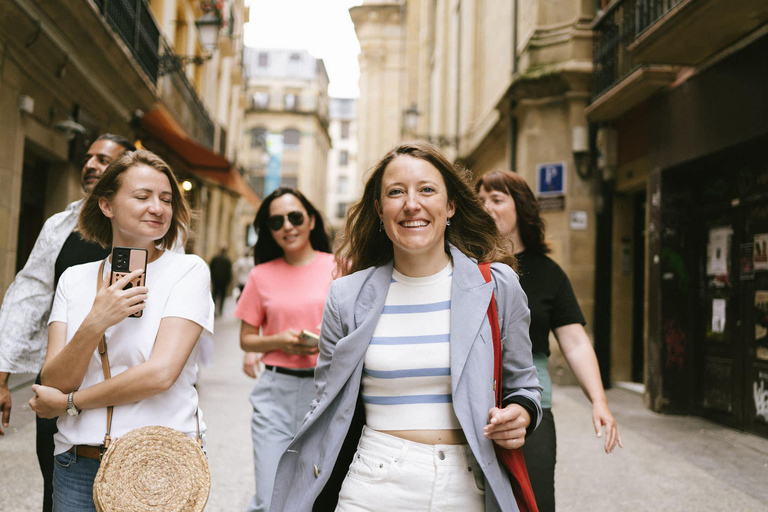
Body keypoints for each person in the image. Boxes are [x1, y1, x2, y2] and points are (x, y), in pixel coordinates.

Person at [270, 141, 542, 512]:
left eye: (427, 189)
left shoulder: (497, 286)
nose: (411, 203)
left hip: (468, 484)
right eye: (396, 192)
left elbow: (524, 383)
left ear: (450, 206)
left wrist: (521, 413)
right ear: (381, 211)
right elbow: (326, 400)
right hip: (372, 482)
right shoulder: (346, 296)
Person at [28, 149, 214, 511]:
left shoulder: (188, 271)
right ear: (107, 205)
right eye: (143, 196)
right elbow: (54, 380)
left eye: (166, 199)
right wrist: (96, 321)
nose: (158, 208)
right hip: (77, 461)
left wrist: (70, 403)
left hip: (158, 465)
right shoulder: (75, 279)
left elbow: (160, 374)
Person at [0, 134, 134, 512]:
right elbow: (29, 295)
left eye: (104, 159)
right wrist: (2, 374)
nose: (91, 165)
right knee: (58, 492)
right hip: (59, 384)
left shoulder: (150, 232)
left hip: (125, 388)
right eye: (89, 157)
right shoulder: (59, 225)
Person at [476, 170, 623, 512]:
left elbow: (575, 342)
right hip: (472, 407)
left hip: (532, 409)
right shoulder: (463, 266)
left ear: (521, 209)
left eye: (496, 200)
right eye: (480, 200)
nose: (486, 207)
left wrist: (599, 401)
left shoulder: (548, 272)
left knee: (535, 503)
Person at [235, 187, 335, 512]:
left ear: (311, 221)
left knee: (315, 497)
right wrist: (279, 340)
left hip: (326, 392)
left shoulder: (340, 267)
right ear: (269, 231)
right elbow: (246, 340)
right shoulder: (260, 275)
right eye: (277, 222)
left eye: (295, 217)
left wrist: (325, 340)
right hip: (275, 393)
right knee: (269, 498)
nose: (287, 227)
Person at [210, 245, 233, 316]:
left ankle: (213, 309)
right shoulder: (227, 260)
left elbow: (211, 268)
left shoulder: (215, 258)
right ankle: (220, 310)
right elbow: (229, 272)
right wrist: (229, 281)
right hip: (224, 281)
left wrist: (212, 277)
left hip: (216, 279)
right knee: (222, 296)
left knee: (215, 295)